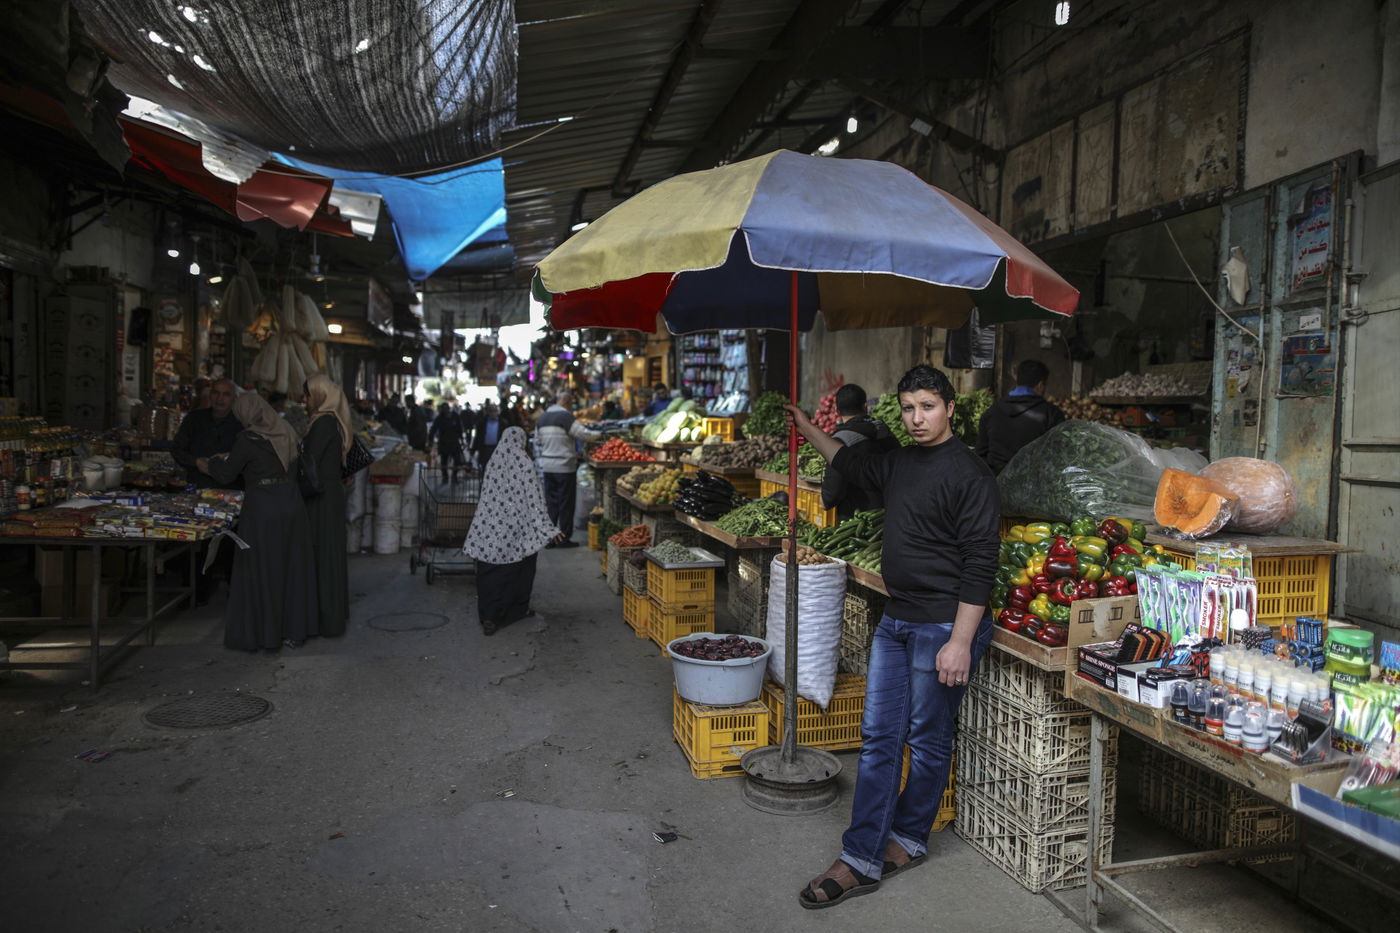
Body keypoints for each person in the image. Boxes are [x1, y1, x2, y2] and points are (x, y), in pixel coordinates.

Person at [784, 365, 999, 909]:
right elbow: (847, 460)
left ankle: (905, 839)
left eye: (927, 406)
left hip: (943, 626)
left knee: (927, 740)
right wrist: (807, 426)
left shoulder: (970, 474)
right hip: (898, 619)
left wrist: (959, 641)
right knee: (880, 738)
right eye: (908, 409)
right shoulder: (899, 462)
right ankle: (863, 855)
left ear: (950, 408)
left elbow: (981, 563)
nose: (917, 418)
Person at [204, 393, 318, 652]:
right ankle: (294, 632)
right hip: (292, 504)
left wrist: (211, 461)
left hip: (263, 509)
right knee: (292, 567)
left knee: (263, 568)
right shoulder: (286, 430)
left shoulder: (247, 439)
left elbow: (225, 474)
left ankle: (266, 635)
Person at [462, 426, 560, 635]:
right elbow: (535, 498)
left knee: (489, 571)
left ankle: (488, 616)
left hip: (489, 527)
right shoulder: (524, 462)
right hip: (516, 528)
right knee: (520, 569)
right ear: (521, 441)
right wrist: (547, 527)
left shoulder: (493, 461)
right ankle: (515, 611)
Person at [302, 374, 352, 638]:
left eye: (308, 395)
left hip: (321, 497)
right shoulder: (334, 421)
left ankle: (326, 620)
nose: (305, 400)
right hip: (330, 494)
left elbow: (310, 462)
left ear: (320, 396)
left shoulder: (322, 423)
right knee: (329, 554)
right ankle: (331, 616)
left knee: (324, 556)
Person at [820, 384, 898, 522]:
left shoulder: (840, 440)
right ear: (865, 406)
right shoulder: (883, 430)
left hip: (856, 522)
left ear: (838, 411)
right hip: (889, 516)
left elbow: (833, 490)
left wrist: (826, 500)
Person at [534, 390, 601, 548]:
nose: (571, 407)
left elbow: (537, 441)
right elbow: (583, 434)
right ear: (566, 402)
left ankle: (550, 539)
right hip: (564, 467)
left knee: (551, 503)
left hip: (548, 466)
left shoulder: (542, 417)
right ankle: (563, 539)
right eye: (571, 404)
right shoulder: (565, 416)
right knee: (565, 503)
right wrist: (599, 435)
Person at [975, 359, 1067, 475]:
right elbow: (1058, 455)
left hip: (996, 484)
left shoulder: (991, 413)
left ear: (1017, 381)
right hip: (1034, 485)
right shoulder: (1052, 414)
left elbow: (980, 456)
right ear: (1040, 385)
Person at [171, 378, 243, 488]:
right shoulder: (194, 419)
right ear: (210, 395)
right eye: (215, 393)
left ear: (234, 398)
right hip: (197, 488)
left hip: (233, 491)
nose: (219, 398)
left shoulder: (242, 424)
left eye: (226, 394)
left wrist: (230, 457)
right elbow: (177, 449)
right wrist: (196, 462)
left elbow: (254, 457)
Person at [430, 402, 468, 481]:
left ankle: (454, 476)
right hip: (444, 443)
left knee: (457, 460)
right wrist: (430, 439)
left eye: (446, 408)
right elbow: (433, 429)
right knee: (444, 461)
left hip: (454, 442)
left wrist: (462, 440)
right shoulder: (439, 418)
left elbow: (460, 429)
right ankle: (445, 476)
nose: (445, 410)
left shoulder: (455, 416)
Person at [472, 401, 502, 469]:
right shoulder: (482, 423)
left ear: (497, 412)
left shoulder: (502, 423)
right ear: (488, 412)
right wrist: (473, 450)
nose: (493, 413)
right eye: (491, 411)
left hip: (498, 450)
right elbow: (478, 437)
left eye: (494, 411)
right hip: (485, 450)